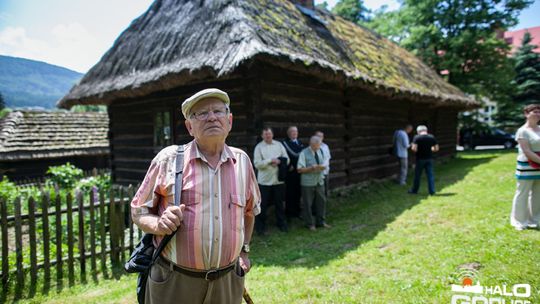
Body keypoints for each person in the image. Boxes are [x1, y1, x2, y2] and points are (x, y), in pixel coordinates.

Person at [130, 88, 261, 304]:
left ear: (229, 121)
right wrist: (158, 224)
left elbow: (249, 212)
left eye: (218, 111)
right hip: (175, 280)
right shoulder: (168, 160)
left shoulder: (243, 162)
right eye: (201, 113)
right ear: (189, 127)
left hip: (227, 281)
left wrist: (244, 251)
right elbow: (138, 211)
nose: (211, 117)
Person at [253, 127, 290, 234]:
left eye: (269, 134)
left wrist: (279, 162)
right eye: (265, 134)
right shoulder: (259, 147)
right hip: (265, 182)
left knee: (279, 203)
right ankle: (260, 227)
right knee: (262, 205)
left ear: (272, 135)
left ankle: (281, 224)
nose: (268, 136)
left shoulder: (279, 145)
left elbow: (287, 159)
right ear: (262, 136)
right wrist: (270, 161)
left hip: (278, 180)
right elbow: (257, 164)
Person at [510, 104, 540, 231]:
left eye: (539, 112)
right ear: (526, 114)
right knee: (522, 193)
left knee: (538, 194)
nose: (538, 114)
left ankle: (535, 219)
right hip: (526, 166)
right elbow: (527, 151)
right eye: (535, 111)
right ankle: (519, 221)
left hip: (538, 166)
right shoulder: (522, 131)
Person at [297, 136, 331, 231]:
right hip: (307, 183)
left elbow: (325, 163)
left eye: (318, 146)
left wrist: (322, 167)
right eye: (316, 146)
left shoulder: (321, 151)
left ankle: (321, 222)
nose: (317, 148)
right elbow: (299, 169)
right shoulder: (304, 153)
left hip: (319, 181)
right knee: (308, 204)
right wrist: (311, 168)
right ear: (311, 144)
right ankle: (310, 224)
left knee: (321, 201)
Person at [408, 125, 439, 195]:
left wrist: (418, 150)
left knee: (417, 175)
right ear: (426, 130)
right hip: (429, 158)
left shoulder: (417, 137)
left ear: (418, 131)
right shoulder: (432, 137)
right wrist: (431, 149)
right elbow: (436, 148)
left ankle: (414, 190)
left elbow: (413, 148)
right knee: (430, 175)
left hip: (420, 159)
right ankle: (432, 191)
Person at [282, 126, 304, 218]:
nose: (294, 133)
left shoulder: (300, 143)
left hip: (300, 171)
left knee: (298, 192)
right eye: (292, 132)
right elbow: (283, 156)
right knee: (290, 193)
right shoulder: (284, 144)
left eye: (296, 131)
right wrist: (288, 165)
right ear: (288, 133)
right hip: (290, 172)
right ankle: (290, 212)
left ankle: (297, 210)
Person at [315, 131, 331, 197]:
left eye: (320, 136)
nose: (319, 138)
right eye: (317, 136)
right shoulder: (312, 146)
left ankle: (325, 200)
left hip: (325, 170)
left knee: (325, 186)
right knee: (317, 188)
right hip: (316, 171)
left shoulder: (325, 146)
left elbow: (328, 157)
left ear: (323, 137)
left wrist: (324, 166)